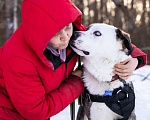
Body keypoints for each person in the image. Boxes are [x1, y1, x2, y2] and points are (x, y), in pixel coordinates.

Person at [0, 0, 147, 120]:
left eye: (68, 27)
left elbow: (108, 42)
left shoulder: (69, 36)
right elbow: (36, 111)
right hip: (9, 113)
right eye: (57, 33)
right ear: (41, 35)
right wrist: (76, 81)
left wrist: (135, 59)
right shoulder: (18, 59)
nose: (66, 37)